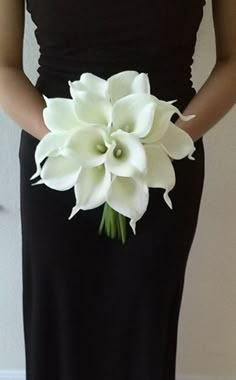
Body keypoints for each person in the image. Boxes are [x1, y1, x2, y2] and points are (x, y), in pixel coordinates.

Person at [0, 0, 235, 379]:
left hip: (164, 163)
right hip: (59, 162)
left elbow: (233, 61)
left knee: (145, 325)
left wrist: (165, 142)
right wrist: (73, 143)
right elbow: (3, 67)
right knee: (59, 322)